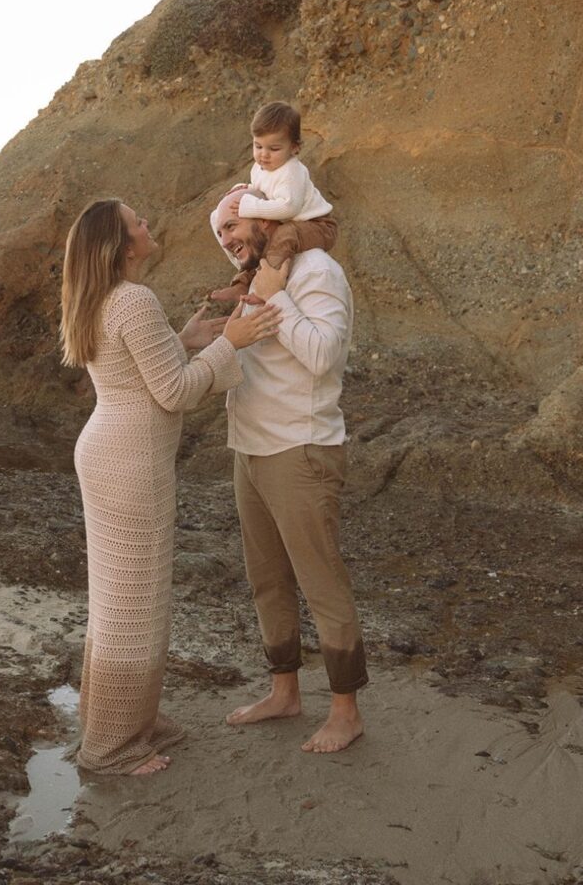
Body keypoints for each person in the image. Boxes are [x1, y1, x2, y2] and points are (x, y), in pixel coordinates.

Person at [60, 198, 281, 776]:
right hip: (131, 463)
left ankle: (125, 719)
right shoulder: (133, 299)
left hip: (107, 453)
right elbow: (176, 393)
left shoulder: (102, 298)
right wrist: (231, 342)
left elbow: (133, 365)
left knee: (116, 601)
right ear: (122, 245)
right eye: (139, 222)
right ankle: (110, 749)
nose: (147, 224)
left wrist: (185, 337)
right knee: (136, 606)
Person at [211, 187, 368, 754]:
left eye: (235, 224)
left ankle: (346, 712)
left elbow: (325, 355)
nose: (228, 238)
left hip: (300, 449)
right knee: (268, 581)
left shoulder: (317, 270)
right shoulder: (251, 283)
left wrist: (277, 298)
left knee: (320, 582)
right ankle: (284, 694)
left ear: (267, 219)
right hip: (249, 450)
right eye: (221, 232)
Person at [210, 101, 339, 303]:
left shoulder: (292, 172)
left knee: (283, 236)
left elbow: (289, 207)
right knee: (258, 241)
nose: (263, 154)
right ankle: (243, 283)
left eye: (274, 148)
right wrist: (242, 189)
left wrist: (252, 206)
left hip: (317, 225)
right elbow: (261, 190)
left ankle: (269, 286)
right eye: (258, 146)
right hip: (292, 222)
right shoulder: (260, 168)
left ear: (295, 148)